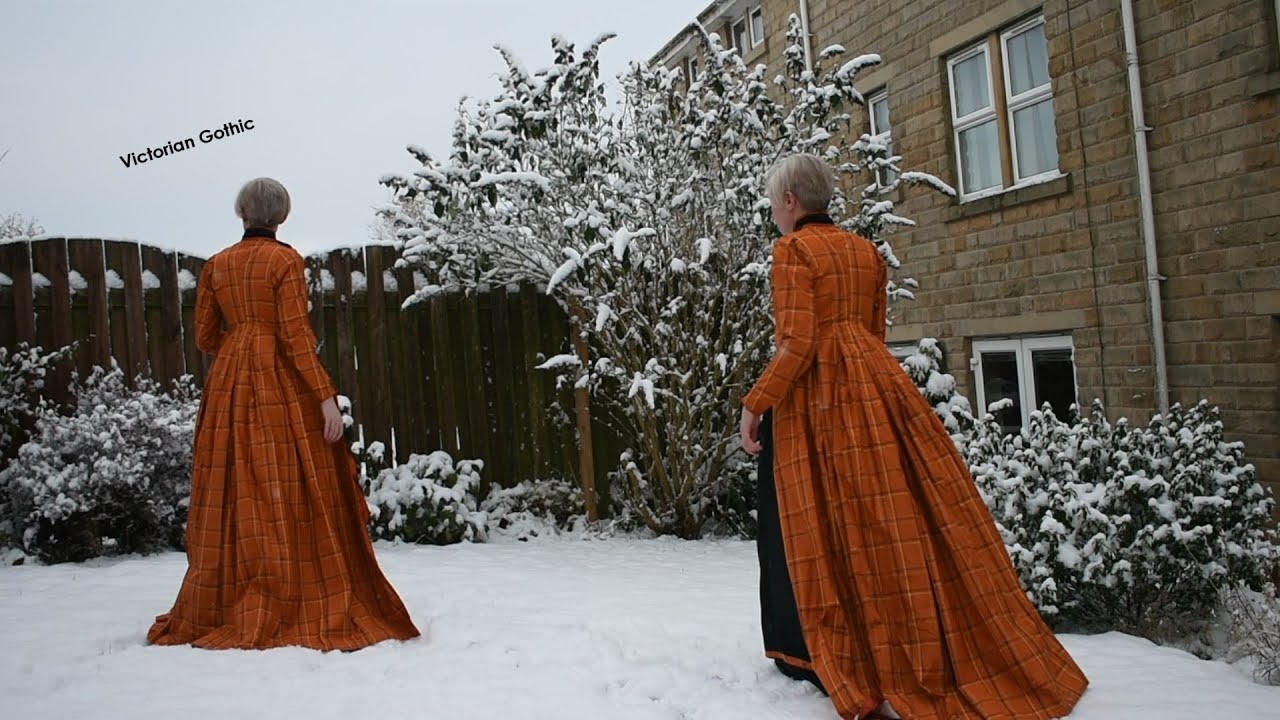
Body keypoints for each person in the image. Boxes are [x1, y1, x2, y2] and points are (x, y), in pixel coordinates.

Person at [739, 154, 1088, 719]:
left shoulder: (792, 251)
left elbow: (798, 344)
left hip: (818, 402)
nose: (774, 215)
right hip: (876, 388)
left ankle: (828, 652)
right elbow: (873, 334)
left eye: (774, 203)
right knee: (888, 519)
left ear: (790, 202)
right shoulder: (866, 252)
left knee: (818, 520)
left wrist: (755, 403)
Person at [147, 178, 421, 651]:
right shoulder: (285, 261)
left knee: (233, 485)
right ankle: (291, 584)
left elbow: (205, 337)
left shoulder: (217, 265)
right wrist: (324, 396)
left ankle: (230, 592)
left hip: (229, 384)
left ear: (242, 213)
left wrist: (240, 343)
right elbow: (294, 336)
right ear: (282, 216)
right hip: (278, 382)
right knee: (288, 481)